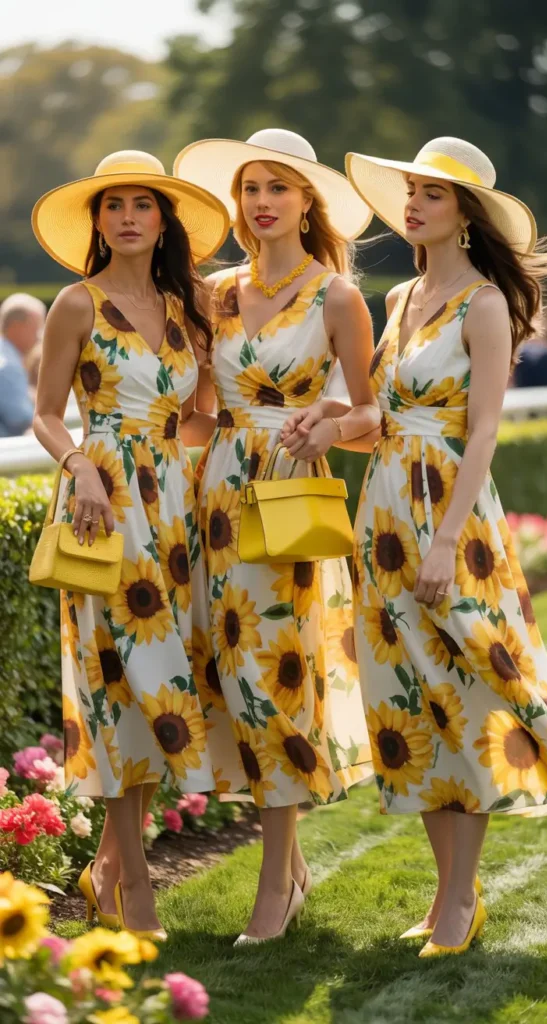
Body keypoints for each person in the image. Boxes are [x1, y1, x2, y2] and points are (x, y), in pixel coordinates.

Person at [289, 136, 547, 957]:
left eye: (432, 196)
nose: (413, 205)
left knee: (473, 691)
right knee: (410, 703)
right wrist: (328, 421)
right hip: (382, 512)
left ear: (466, 215)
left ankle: (457, 902)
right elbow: (380, 412)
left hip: (450, 515)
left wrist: (447, 539)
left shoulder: (484, 303)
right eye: (410, 192)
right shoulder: (405, 294)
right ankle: (454, 896)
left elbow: (483, 428)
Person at [174, 128, 379, 943]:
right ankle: (287, 869)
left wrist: (331, 422)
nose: (261, 203)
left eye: (278, 188)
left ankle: (276, 883)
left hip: (289, 499)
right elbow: (194, 420)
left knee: (275, 681)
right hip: (216, 497)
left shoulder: (336, 296)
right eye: (250, 188)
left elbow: (372, 419)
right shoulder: (212, 294)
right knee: (224, 677)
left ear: (307, 202)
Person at [32, 150, 229, 939]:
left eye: (142, 205)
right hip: (101, 504)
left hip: (175, 508)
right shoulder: (75, 303)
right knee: (117, 686)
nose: (126, 218)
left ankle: (109, 869)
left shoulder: (191, 309)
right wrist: (79, 465)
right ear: (99, 221)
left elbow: (204, 414)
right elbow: (47, 414)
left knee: (162, 686)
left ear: (163, 220)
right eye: (112, 206)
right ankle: (133, 887)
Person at [0, 292, 45, 436]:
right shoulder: (8, 366)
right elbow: (22, 420)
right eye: (37, 328)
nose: (39, 337)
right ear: (17, 326)